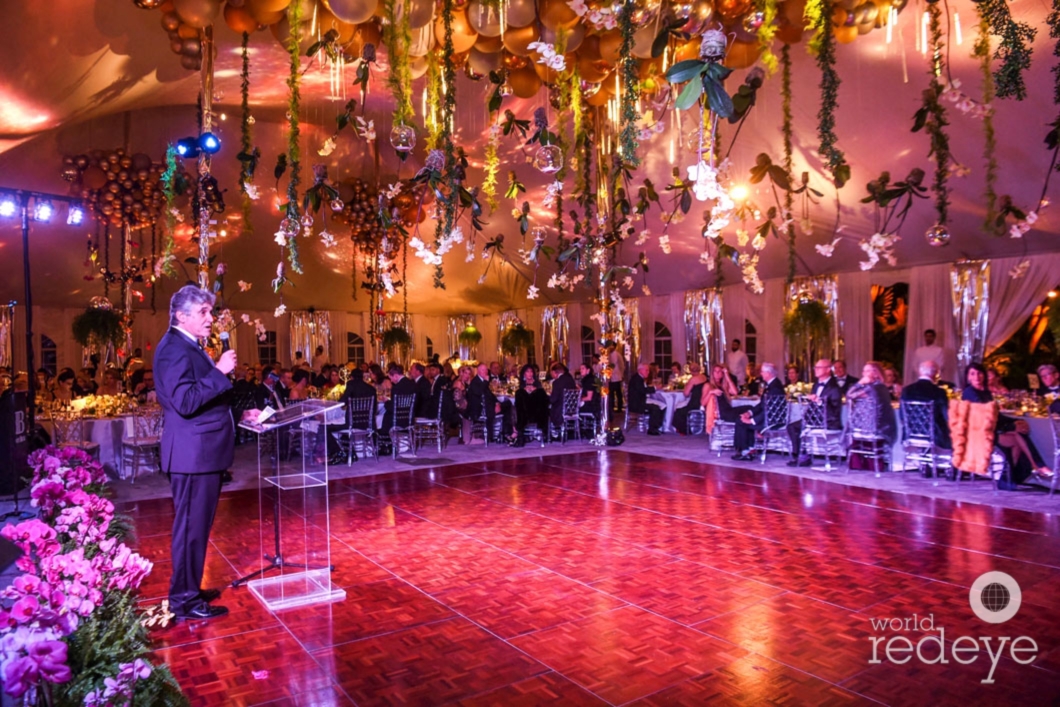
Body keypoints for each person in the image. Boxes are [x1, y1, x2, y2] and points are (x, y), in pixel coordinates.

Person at [154, 285, 245, 621]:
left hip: (202, 453)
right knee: (190, 529)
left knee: (197, 528)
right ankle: (184, 602)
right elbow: (186, 401)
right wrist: (219, 372)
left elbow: (203, 402)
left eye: (210, 311)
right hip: (193, 455)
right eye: (203, 312)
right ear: (181, 315)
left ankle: (190, 588)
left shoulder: (187, 346)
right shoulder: (173, 349)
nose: (211, 318)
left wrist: (239, 415)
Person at [963, 362, 1052, 482]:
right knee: (1017, 435)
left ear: (983, 375)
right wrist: (1010, 426)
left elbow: (996, 415)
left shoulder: (986, 393)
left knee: (1018, 437)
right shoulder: (970, 392)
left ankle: (1009, 478)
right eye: (972, 374)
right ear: (968, 377)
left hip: (991, 430)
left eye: (979, 373)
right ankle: (1037, 466)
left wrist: (1016, 421)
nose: (976, 377)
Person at [786, 359, 843, 466]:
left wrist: (820, 401)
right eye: (815, 367)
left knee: (799, 426)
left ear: (827, 370)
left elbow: (835, 410)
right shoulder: (816, 385)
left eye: (818, 368)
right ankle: (801, 455)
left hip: (829, 420)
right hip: (815, 419)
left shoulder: (834, 387)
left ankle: (803, 456)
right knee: (792, 426)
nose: (815, 370)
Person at [846, 362, 898, 463]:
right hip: (866, 427)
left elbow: (849, 395)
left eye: (867, 371)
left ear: (875, 373)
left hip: (875, 428)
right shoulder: (872, 387)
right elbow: (850, 395)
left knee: (849, 428)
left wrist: (859, 383)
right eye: (863, 371)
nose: (864, 373)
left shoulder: (875, 387)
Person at [900, 360, 951, 462]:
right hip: (935, 436)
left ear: (919, 372)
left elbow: (902, 416)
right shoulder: (938, 392)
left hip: (910, 434)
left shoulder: (906, 390)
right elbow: (946, 416)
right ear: (936, 373)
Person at [732, 363, 785, 460]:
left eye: (762, 372)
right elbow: (762, 404)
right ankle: (749, 449)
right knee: (741, 419)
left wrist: (752, 421)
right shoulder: (772, 384)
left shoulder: (775, 388)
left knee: (741, 422)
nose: (761, 374)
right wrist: (749, 413)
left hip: (772, 420)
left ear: (768, 373)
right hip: (769, 417)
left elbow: (770, 410)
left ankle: (745, 451)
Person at [512, 363, 549, 446]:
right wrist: (526, 391)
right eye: (527, 371)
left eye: (531, 371)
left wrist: (533, 390)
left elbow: (544, 401)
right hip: (524, 414)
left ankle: (518, 432)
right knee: (519, 393)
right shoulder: (521, 388)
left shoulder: (538, 386)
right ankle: (519, 434)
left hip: (537, 412)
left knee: (540, 392)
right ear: (524, 374)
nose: (530, 373)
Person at [380, 363, 417, 436]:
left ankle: (385, 440)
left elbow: (393, 408)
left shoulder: (396, 388)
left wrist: (386, 402)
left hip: (397, 420)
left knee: (384, 415)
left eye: (390, 378)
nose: (390, 380)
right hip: (410, 417)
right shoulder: (413, 384)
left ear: (396, 376)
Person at [628, 363, 665, 435]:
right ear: (640, 370)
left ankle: (658, 426)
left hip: (640, 401)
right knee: (656, 407)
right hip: (637, 404)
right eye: (646, 370)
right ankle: (652, 429)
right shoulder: (637, 379)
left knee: (662, 405)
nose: (648, 372)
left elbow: (642, 390)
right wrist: (655, 388)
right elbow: (643, 390)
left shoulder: (639, 378)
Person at [671, 363, 707, 435]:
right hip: (703, 401)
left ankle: (683, 430)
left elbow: (686, 394)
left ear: (690, 370)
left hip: (695, 402)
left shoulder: (693, 379)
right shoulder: (704, 377)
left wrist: (687, 385)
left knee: (678, 410)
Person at [548, 362, 577, 433]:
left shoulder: (557, 382)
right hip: (572, 409)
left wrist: (547, 397)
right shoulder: (571, 380)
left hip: (560, 410)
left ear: (555, 372)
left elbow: (553, 399)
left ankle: (552, 432)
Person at [607, 346, 624, 413]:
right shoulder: (610, 354)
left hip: (616, 376)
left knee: (618, 393)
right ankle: (612, 407)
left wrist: (621, 374)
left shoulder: (616, 354)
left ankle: (619, 407)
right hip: (612, 377)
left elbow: (613, 365)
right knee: (612, 393)